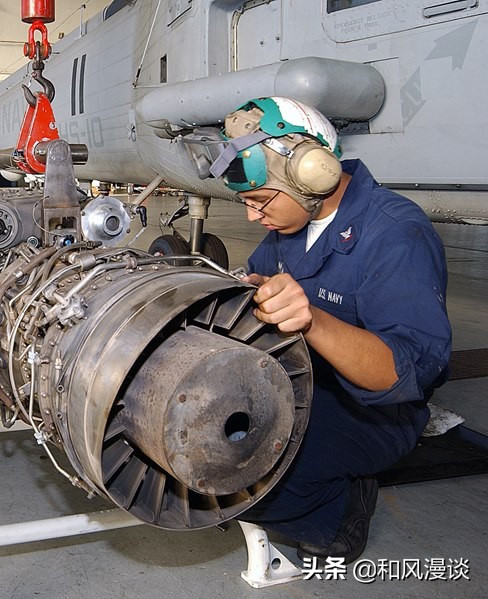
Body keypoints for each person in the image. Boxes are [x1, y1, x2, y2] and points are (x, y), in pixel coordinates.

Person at [184, 97, 451, 563]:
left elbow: (400, 374)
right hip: (300, 381)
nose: (252, 217)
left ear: (313, 175)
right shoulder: (291, 226)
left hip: (374, 413)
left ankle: (341, 510)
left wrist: (311, 319)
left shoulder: (395, 233)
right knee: (195, 444)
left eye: (260, 201)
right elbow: (262, 288)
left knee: (240, 483)